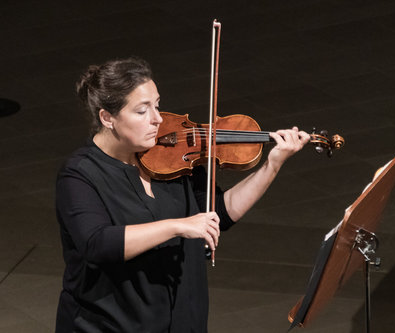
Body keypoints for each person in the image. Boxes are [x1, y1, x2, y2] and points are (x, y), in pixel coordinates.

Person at [55, 57, 309, 332]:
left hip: (182, 321)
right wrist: (178, 226)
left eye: (157, 105)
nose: (158, 119)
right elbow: (98, 244)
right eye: (142, 111)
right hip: (111, 325)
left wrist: (272, 165)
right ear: (107, 118)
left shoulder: (174, 157)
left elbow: (218, 214)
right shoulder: (79, 175)